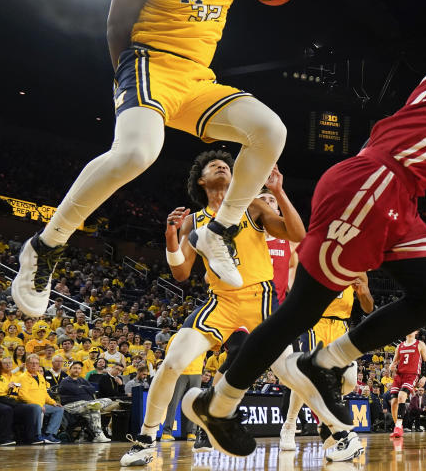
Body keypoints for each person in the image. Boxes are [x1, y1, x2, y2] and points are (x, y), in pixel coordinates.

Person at [184, 6, 426, 462]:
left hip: (389, 188)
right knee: (301, 311)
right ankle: (220, 402)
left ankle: (324, 362)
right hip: (376, 184)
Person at [11, 0, 286, 319]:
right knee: (138, 152)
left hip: (197, 79)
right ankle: (45, 246)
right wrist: (126, 84)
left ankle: (221, 229)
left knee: (271, 130)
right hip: (146, 66)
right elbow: (115, 25)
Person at [119, 154, 305, 466]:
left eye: (227, 165)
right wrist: (170, 238)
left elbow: (297, 234)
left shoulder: (252, 205)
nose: (221, 166)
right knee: (172, 363)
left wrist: (279, 192)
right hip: (221, 302)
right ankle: (145, 439)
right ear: (201, 181)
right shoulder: (192, 220)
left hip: (261, 301)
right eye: (213, 165)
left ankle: (340, 434)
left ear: (235, 179)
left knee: (293, 373)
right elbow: (180, 273)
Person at [280, 277, 374, 450]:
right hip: (316, 323)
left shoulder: (359, 269)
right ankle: (290, 425)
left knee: (350, 381)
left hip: (340, 327)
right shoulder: (320, 257)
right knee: (307, 376)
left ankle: (326, 421)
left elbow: (368, 308)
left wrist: (364, 293)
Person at [57, 361, 117, 442]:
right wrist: (84, 388)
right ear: (70, 369)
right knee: (92, 407)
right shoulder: (65, 381)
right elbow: (76, 391)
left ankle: (98, 436)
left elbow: (93, 389)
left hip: (86, 405)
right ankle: (99, 434)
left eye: (79, 368)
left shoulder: (82, 380)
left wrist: (81, 387)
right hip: (71, 406)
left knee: (107, 400)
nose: (77, 370)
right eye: (74, 368)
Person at [388, 330, 426, 438]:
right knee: (393, 402)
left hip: (412, 375)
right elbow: (394, 363)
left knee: (402, 396)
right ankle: (398, 427)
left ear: (416, 332)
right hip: (399, 375)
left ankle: (398, 426)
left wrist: (424, 376)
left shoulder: (420, 344)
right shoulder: (399, 346)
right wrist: (391, 368)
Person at [17, 353, 64, 444]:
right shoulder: (23, 377)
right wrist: (38, 404)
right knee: (37, 408)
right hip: (27, 405)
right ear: (27, 365)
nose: (34, 365)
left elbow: (44, 394)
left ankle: (50, 434)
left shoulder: (40, 377)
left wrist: (53, 402)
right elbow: (22, 395)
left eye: (36, 363)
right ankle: (36, 435)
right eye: (31, 363)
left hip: (41, 405)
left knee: (59, 409)